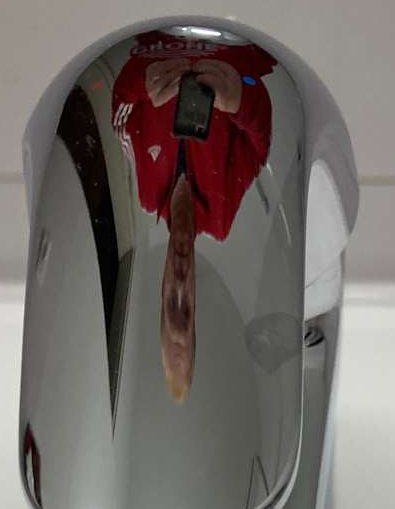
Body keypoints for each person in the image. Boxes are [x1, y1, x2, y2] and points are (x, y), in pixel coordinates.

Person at [112, 33, 275, 400]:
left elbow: (119, 111)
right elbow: (262, 143)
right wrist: (240, 95)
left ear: (161, 289)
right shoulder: (222, 215)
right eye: (187, 308)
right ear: (197, 298)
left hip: (158, 34)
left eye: (171, 305)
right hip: (243, 37)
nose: (181, 286)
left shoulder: (146, 191)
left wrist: (143, 79)